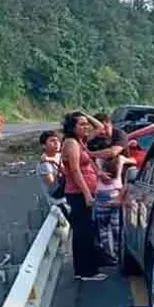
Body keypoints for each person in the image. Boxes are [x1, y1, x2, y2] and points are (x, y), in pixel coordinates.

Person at [61, 111, 108, 281]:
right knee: (84, 232)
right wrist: (87, 194)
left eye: (86, 123)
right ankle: (87, 271)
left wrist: (85, 114)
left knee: (85, 231)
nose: (86, 126)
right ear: (72, 128)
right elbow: (75, 170)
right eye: (81, 124)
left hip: (83, 192)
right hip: (78, 193)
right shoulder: (72, 143)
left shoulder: (80, 142)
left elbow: (101, 127)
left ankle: (83, 270)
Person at [94, 156, 125, 265]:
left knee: (110, 230)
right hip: (107, 200)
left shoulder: (117, 174)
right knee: (110, 231)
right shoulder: (99, 167)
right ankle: (112, 255)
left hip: (110, 201)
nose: (108, 179)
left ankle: (113, 255)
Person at [36, 130, 68, 216]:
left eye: (57, 140)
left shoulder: (59, 156)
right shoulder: (44, 164)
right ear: (44, 146)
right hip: (57, 199)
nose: (56, 143)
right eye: (52, 141)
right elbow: (52, 185)